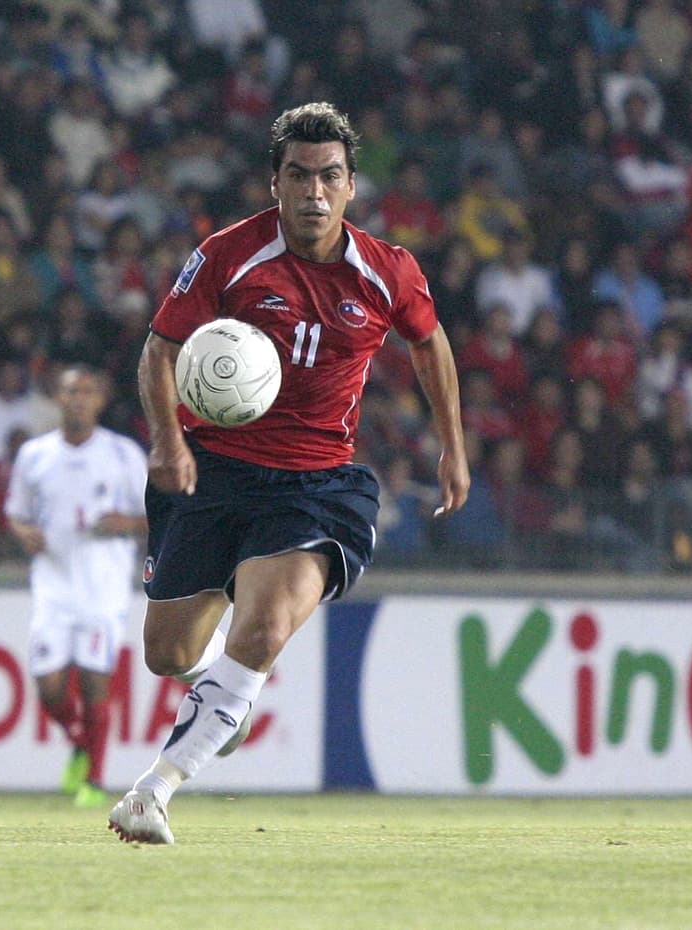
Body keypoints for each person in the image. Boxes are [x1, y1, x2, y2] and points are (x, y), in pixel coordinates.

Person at [107, 102, 469, 844]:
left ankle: (155, 788)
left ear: (351, 187)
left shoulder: (388, 270)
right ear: (274, 184)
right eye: (298, 176)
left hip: (317, 485)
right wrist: (169, 441)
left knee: (267, 624)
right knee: (167, 653)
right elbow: (159, 350)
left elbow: (430, 346)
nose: (313, 192)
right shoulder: (226, 254)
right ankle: (220, 698)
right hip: (211, 471)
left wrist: (453, 445)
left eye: (329, 177)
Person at [4, 365, 148, 808]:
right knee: (48, 687)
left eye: (87, 391)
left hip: (102, 585)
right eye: (70, 391)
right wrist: (22, 531)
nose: (79, 399)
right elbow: (15, 512)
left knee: (93, 682)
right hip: (52, 582)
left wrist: (126, 522)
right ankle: (83, 744)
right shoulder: (35, 454)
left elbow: (155, 515)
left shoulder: (123, 454)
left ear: (100, 399)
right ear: (57, 398)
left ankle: (94, 781)